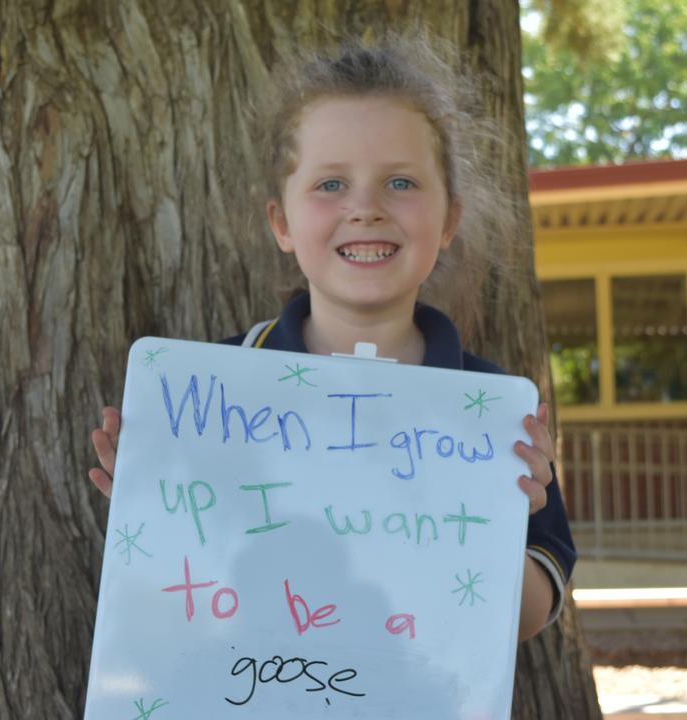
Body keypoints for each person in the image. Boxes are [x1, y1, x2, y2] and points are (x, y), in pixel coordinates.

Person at [86, 37, 576, 642]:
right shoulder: (206, 395)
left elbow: (523, 624)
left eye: (400, 183)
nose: (365, 208)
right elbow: (171, 589)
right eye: (330, 185)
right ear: (282, 223)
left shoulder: (495, 410)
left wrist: (494, 523)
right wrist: (154, 504)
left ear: (449, 220)